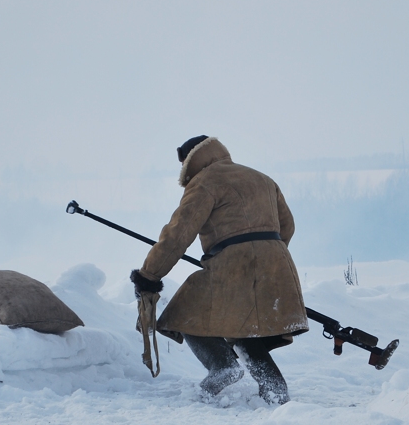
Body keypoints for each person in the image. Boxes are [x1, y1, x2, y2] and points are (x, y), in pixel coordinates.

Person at [131, 136, 308, 404]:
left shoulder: (204, 182)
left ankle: (223, 366)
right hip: (277, 261)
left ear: (189, 161)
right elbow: (288, 226)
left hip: (234, 261)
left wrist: (149, 276)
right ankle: (275, 390)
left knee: (185, 309)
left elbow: (178, 236)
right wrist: (267, 256)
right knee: (243, 325)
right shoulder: (262, 178)